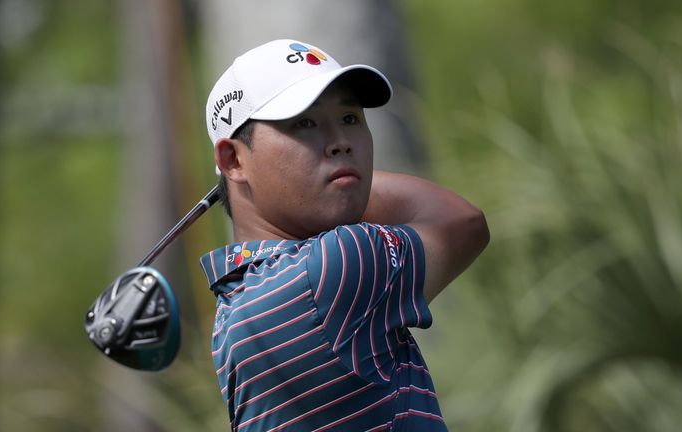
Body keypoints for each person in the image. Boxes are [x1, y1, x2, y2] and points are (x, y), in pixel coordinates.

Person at [200, 39, 489, 431]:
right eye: (305, 123)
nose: (341, 143)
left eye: (350, 118)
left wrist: (332, 180)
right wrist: (346, 180)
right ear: (233, 159)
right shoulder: (337, 266)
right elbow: (462, 220)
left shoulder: (236, 301)